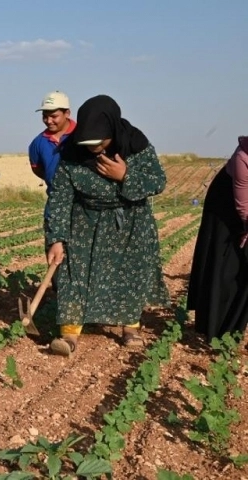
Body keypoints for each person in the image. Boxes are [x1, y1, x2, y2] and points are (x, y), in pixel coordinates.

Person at [44, 95, 169, 356]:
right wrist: (56, 238)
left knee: (130, 272)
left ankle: (130, 328)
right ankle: (69, 335)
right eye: (88, 144)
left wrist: (125, 176)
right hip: (84, 222)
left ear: (112, 130)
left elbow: (157, 181)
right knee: (73, 272)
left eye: (100, 143)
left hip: (130, 222)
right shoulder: (72, 153)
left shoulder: (136, 144)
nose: (94, 149)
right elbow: (60, 197)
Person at [187, 136, 248, 342]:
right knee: (223, 263)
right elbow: (243, 204)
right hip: (225, 206)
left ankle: (235, 326)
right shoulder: (243, 157)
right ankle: (216, 328)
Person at [28, 90, 76, 223]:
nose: (49, 121)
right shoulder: (37, 143)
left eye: (54, 116)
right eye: (45, 116)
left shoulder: (83, 136)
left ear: (67, 113)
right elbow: (39, 170)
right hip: (55, 208)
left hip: (83, 209)